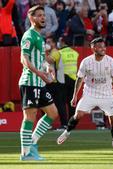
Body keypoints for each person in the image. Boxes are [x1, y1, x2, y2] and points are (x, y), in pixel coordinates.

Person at [56, 37, 113, 149]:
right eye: (100, 47)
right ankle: (67, 132)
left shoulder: (110, 61)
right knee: (78, 115)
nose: (103, 49)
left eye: (104, 46)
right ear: (93, 48)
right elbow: (79, 79)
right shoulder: (86, 62)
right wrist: (75, 96)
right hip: (89, 93)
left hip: (106, 93)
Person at [19, 5, 58, 161]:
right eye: (39, 15)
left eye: (44, 15)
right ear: (31, 18)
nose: (43, 18)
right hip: (30, 82)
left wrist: (49, 68)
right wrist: (40, 74)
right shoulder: (29, 36)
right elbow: (24, 59)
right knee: (30, 117)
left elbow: (41, 59)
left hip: (39, 83)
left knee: (53, 113)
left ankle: (32, 143)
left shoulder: (39, 37)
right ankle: (25, 153)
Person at [45, 36, 68, 130]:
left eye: (49, 42)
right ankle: (47, 124)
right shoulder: (49, 52)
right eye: (46, 42)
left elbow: (49, 60)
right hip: (48, 82)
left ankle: (64, 124)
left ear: (54, 44)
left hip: (56, 82)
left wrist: (42, 52)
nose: (47, 44)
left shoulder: (55, 52)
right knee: (45, 103)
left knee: (59, 104)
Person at [58, 36, 79, 121]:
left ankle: (64, 123)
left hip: (63, 79)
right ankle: (71, 122)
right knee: (72, 102)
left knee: (61, 103)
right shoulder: (75, 53)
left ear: (63, 41)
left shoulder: (59, 53)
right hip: (74, 79)